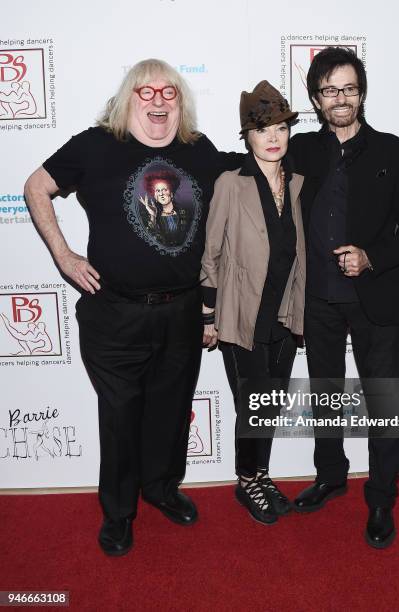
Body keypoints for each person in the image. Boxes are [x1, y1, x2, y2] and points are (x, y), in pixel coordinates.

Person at [24, 58, 240, 556]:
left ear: (180, 101)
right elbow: (37, 186)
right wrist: (63, 255)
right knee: (121, 417)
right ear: (128, 98)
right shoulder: (97, 144)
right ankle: (119, 514)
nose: (159, 100)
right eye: (146, 92)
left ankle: (161, 489)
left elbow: (244, 164)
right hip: (114, 314)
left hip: (181, 311)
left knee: (170, 410)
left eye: (169, 91)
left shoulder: (197, 150)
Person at [289, 47, 399, 548]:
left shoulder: (397, 152)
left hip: (375, 302)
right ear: (315, 99)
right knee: (326, 398)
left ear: (362, 92)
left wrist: (372, 255)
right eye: (330, 90)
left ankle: (380, 500)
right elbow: (250, 157)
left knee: (384, 405)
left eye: (349, 88)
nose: (341, 98)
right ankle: (330, 475)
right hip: (318, 301)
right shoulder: (301, 150)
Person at [201, 81, 305, 524]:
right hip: (241, 316)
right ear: (247, 135)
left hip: (285, 315)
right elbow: (211, 254)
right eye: (264, 129)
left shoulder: (299, 183)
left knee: (271, 404)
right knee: (253, 404)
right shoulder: (231, 182)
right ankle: (247, 481)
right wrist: (207, 315)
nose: (274, 137)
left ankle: (260, 474)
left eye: (281, 127)